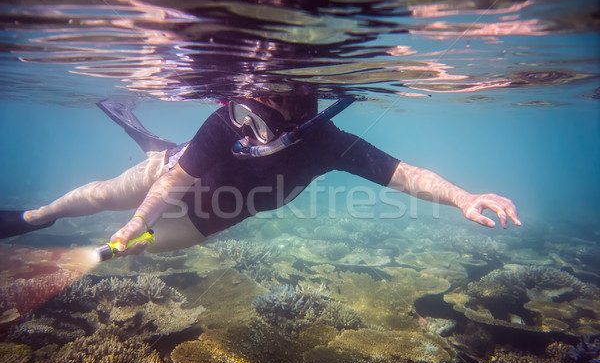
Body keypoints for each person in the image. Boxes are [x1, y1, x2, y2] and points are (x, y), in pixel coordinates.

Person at [0, 90, 520, 255]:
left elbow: (405, 175)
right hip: (171, 171)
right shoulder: (225, 119)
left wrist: (462, 197)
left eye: (260, 118)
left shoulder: (327, 145)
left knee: (114, 253)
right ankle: (35, 216)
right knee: (99, 199)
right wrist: (137, 220)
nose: (245, 129)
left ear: (298, 119)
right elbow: (173, 182)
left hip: (205, 223)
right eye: (244, 111)